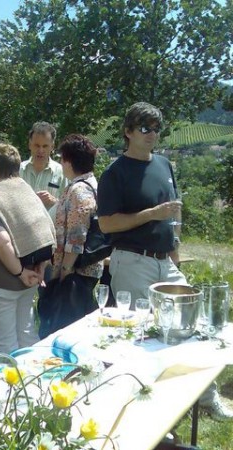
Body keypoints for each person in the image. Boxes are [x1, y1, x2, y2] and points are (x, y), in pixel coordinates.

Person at [97, 101, 232, 421]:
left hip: (165, 260)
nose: (152, 134)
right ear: (128, 132)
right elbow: (107, 224)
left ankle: (204, 397)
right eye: (145, 128)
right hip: (132, 261)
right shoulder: (115, 173)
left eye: (156, 129)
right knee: (145, 336)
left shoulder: (163, 165)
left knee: (193, 324)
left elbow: (173, 213)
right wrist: (151, 214)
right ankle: (147, 406)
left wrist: (175, 250)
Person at [0, 144, 56, 354]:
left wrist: (19, 272)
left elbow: (1, 242)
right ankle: (37, 375)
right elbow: (46, 231)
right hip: (30, 282)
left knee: (4, 349)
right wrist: (40, 266)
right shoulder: (27, 191)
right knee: (27, 340)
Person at [49, 134, 103, 325]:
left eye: (62, 159)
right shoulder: (92, 185)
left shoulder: (79, 190)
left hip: (77, 271)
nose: (61, 163)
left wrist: (65, 270)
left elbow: (77, 235)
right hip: (85, 268)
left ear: (69, 161)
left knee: (68, 324)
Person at [19, 121, 68, 217]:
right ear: (30, 145)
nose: (40, 150)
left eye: (45, 146)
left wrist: (54, 201)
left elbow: (69, 207)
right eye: (37, 145)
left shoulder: (61, 172)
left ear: (52, 147)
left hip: (50, 225)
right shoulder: (18, 170)